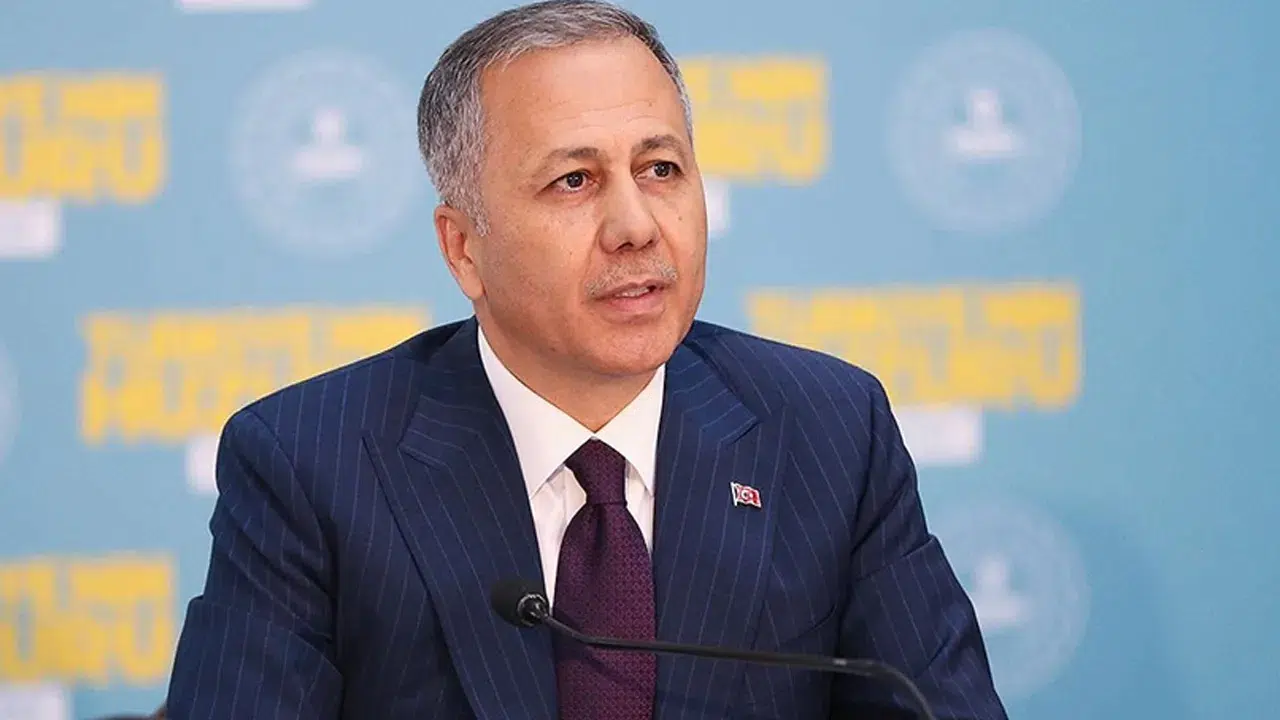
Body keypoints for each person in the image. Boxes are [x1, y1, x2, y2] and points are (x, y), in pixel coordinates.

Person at [164, 1, 1007, 718]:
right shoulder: (310, 465)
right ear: (463, 248)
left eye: (661, 168)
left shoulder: (829, 430)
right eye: (574, 181)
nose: (636, 226)